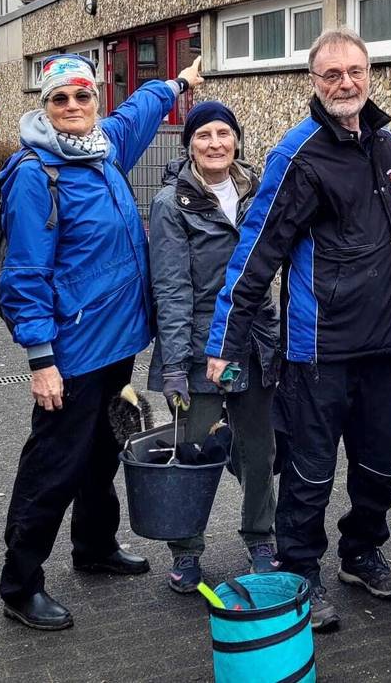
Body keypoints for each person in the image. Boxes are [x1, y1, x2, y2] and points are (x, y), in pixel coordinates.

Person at [205, 27, 391, 631]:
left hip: (383, 344)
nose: (345, 83)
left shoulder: (386, 146)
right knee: (311, 470)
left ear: (369, 75)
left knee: (375, 460)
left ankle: (362, 553)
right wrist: (225, 342)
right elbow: (257, 251)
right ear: (314, 81)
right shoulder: (300, 155)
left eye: (355, 71)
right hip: (320, 349)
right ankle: (301, 572)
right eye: (331, 74)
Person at [0, 52, 204, 631]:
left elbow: (139, 111)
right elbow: (24, 276)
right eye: (59, 99)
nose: (71, 107)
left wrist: (178, 84)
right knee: (53, 465)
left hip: (118, 345)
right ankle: (20, 584)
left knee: (102, 452)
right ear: (44, 107)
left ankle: (94, 547)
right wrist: (41, 360)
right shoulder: (38, 175)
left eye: (81, 96)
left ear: (95, 102)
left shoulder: (103, 146)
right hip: (70, 353)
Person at [147, 100, 280, 593]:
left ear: (237, 141)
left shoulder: (258, 193)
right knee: (192, 449)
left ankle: (261, 540)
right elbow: (172, 287)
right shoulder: (170, 203)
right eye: (203, 135)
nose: (215, 143)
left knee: (257, 450)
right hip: (199, 347)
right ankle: (186, 551)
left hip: (254, 343)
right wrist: (178, 364)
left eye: (224, 133)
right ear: (189, 146)